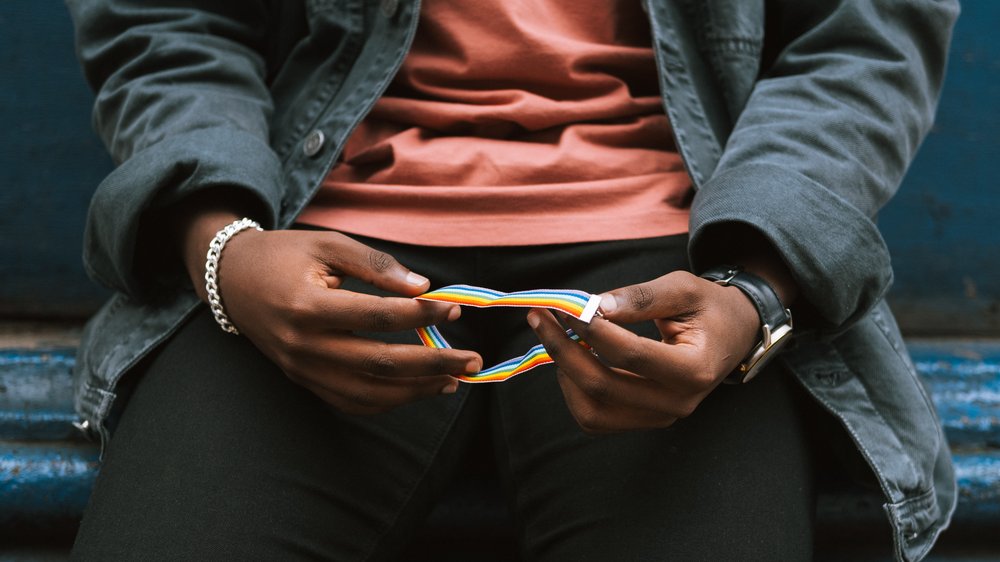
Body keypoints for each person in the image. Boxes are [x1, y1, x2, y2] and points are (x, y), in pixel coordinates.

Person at [66, 0, 958, 560]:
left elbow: (862, 43)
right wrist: (221, 247)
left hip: (676, 261)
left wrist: (753, 289)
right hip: (319, 255)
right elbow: (166, 24)